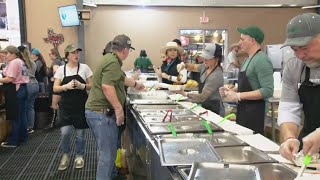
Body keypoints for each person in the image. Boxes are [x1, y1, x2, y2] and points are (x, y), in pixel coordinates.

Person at [85, 34, 145, 179]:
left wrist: (136, 85)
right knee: (107, 156)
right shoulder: (112, 62)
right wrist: (119, 109)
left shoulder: (111, 60)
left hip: (99, 113)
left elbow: (121, 78)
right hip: (102, 114)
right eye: (129, 50)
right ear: (125, 49)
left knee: (109, 152)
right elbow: (107, 87)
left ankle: (111, 175)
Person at [278, 13, 320, 161]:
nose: (300, 55)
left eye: (304, 47)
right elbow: (289, 108)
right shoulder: (294, 67)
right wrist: (289, 137)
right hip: (310, 150)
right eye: (295, 49)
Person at [219, 25, 274, 134]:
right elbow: (250, 84)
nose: (239, 43)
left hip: (256, 113)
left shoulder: (262, 60)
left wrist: (238, 96)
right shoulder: (247, 60)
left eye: (242, 39)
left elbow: (268, 90)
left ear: (252, 41)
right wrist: (232, 90)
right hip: (244, 110)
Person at [53, 44, 93, 170]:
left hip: (80, 105)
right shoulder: (61, 69)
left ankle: (79, 155)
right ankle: (66, 154)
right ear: (67, 56)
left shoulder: (85, 68)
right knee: (65, 132)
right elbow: (55, 88)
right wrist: (65, 87)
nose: (76, 55)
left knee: (80, 134)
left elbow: (92, 85)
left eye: (77, 52)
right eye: (73, 53)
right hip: (65, 106)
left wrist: (83, 86)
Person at [175, 44, 224, 115]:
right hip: (206, 106)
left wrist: (184, 93)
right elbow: (193, 67)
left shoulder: (216, 75)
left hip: (215, 109)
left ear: (217, 58)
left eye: (207, 58)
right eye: (204, 57)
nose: (204, 60)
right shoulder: (205, 66)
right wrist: (184, 65)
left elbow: (202, 97)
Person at [0, 46, 29, 148]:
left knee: (15, 116)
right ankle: (23, 137)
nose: (5, 55)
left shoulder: (14, 62)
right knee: (21, 116)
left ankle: (13, 141)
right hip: (23, 88)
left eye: (7, 53)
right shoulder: (21, 61)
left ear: (13, 54)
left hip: (16, 90)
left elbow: (10, 79)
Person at [18, 46, 39, 134]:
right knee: (31, 107)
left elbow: (22, 75)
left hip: (27, 84)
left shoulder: (22, 63)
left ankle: (25, 127)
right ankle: (30, 127)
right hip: (35, 84)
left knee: (25, 107)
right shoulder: (33, 62)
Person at [47, 48, 64, 128]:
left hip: (55, 85)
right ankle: (58, 122)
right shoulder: (60, 61)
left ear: (54, 54)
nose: (49, 56)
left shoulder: (56, 61)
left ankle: (52, 124)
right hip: (59, 85)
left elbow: (56, 71)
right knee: (59, 104)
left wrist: (53, 78)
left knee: (54, 105)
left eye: (50, 54)